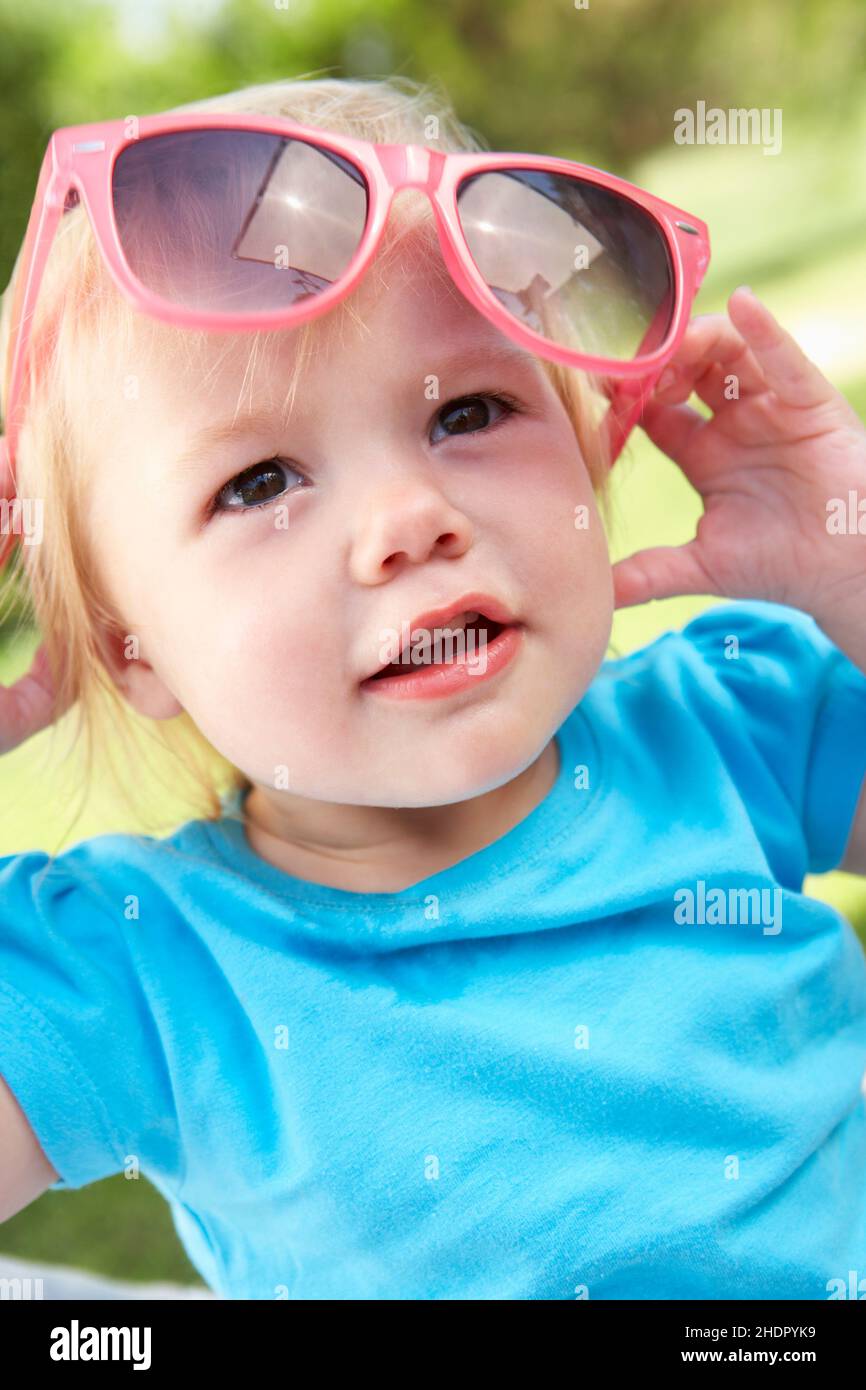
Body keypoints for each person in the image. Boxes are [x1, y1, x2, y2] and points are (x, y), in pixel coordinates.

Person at [0, 73, 865, 1301]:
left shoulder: (730, 723)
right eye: (258, 483)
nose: (411, 518)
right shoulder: (138, 970)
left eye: (468, 410)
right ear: (132, 645)